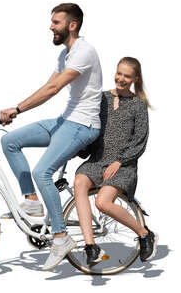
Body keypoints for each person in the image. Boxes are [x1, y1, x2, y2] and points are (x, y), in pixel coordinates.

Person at [0, 3, 103, 271]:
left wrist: (17, 108)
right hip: (66, 120)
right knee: (10, 141)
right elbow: (48, 85)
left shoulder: (84, 51)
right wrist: (17, 110)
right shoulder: (65, 54)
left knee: (43, 171)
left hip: (83, 125)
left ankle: (61, 237)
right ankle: (32, 202)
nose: (50, 26)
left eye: (56, 22)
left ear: (72, 25)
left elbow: (55, 88)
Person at [74, 57, 158, 265]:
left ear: (135, 79)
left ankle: (145, 233)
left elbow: (140, 139)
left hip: (123, 165)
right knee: (79, 182)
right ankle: (91, 247)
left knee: (102, 202)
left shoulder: (139, 105)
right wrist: (78, 147)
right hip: (98, 159)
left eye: (127, 76)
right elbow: (91, 126)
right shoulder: (101, 98)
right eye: (119, 73)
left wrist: (120, 161)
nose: (121, 78)